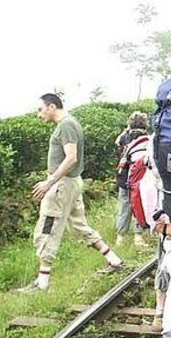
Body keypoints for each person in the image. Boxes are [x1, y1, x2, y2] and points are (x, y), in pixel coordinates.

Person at [20, 93, 123, 293]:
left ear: (51, 106)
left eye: (40, 109)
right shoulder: (70, 123)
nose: (38, 114)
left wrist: (49, 182)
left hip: (61, 185)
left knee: (48, 228)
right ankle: (114, 260)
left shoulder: (66, 125)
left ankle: (42, 283)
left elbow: (71, 158)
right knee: (78, 226)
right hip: (71, 183)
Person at [114, 111, 151, 248]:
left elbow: (117, 143)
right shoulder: (146, 139)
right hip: (139, 179)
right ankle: (138, 236)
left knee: (124, 207)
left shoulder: (123, 138)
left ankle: (120, 238)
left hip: (123, 178)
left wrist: (126, 129)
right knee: (138, 204)